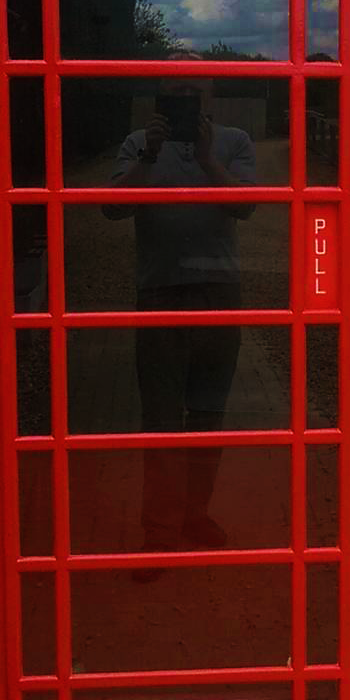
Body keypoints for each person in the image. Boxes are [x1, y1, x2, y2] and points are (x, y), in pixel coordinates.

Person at [103, 54, 256, 565]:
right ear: (160, 98)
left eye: (195, 90)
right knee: (163, 417)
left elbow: (246, 205)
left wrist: (209, 158)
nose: (187, 99)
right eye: (176, 91)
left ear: (210, 95)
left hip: (218, 289)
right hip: (160, 290)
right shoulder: (137, 143)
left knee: (208, 412)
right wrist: (148, 156)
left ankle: (195, 513)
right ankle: (161, 531)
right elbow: (111, 207)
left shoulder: (234, 141)